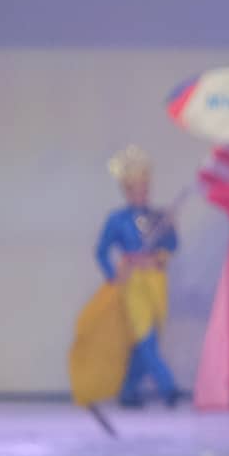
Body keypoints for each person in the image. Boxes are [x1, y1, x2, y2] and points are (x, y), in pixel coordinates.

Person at [74, 146, 180, 408]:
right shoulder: (117, 219)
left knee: (147, 337)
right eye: (135, 188)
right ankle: (169, 387)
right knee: (146, 338)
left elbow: (171, 245)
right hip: (132, 285)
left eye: (145, 187)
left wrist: (166, 238)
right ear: (126, 190)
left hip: (155, 283)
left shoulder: (158, 216)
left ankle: (128, 391)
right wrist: (114, 276)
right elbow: (101, 251)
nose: (141, 193)